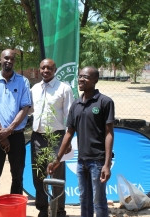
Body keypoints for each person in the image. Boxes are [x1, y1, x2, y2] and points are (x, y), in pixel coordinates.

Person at [47, 66, 115, 217]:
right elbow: (69, 133)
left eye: (86, 77)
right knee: (84, 199)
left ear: (95, 80)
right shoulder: (76, 104)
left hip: (98, 161)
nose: (81, 79)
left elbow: (109, 133)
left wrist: (107, 164)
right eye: (80, 76)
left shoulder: (105, 102)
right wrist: (57, 159)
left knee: (99, 200)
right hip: (81, 161)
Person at [0, 49, 31, 217]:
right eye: (6, 58)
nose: (8, 61)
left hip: (17, 136)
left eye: (11, 59)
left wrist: (9, 130)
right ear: (0, 59)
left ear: (14, 62)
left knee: (17, 175)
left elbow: (25, 107)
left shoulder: (23, 81)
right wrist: (1, 135)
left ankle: (15, 209)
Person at [30, 59, 74, 217]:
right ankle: (42, 208)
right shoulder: (34, 88)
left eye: (49, 68)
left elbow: (71, 116)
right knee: (38, 175)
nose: (46, 70)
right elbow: (29, 111)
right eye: (43, 68)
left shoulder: (64, 88)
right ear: (39, 69)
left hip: (57, 137)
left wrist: (67, 141)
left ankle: (59, 210)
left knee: (57, 176)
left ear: (55, 70)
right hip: (37, 137)